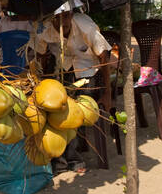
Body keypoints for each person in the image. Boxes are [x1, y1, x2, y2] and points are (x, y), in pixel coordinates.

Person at [32, 9, 110, 172]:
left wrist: (107, 92)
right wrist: (39, 81)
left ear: (72, 15)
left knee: (75, 112)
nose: (62, 21)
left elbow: (104, 57)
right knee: (55, 111)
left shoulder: (85, 26)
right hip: (62, 69)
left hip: (88, 71)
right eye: (57, 17)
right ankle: (58, 160)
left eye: (66, 16)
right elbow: (39, 54)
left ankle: (74, 159)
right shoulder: (45, 28)